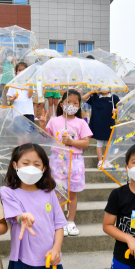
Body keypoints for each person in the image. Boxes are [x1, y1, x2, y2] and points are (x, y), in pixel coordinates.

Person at [41, 89, 92, 236]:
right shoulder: (54, 121)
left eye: (76, 103)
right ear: (62, 104)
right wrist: (44, 125)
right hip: (58, 161)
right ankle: (60, 222)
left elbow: (86, 143)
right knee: (58, 193)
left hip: (75, 162)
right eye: (68, 102)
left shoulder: (81, 122)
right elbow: (45, 139)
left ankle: (71, 221)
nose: (72, 105)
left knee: (72, 194)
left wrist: (70, 142)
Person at [83, 90, 120, 169]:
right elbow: (83, 98)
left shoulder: (114, 97)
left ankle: (107, 161)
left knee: (108, 144)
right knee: (99, 143)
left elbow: (120, 107)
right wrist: (93, 90)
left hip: (109, 123)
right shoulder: (95, 97)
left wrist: (116, 110)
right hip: (98, 123)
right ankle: (100, 161)